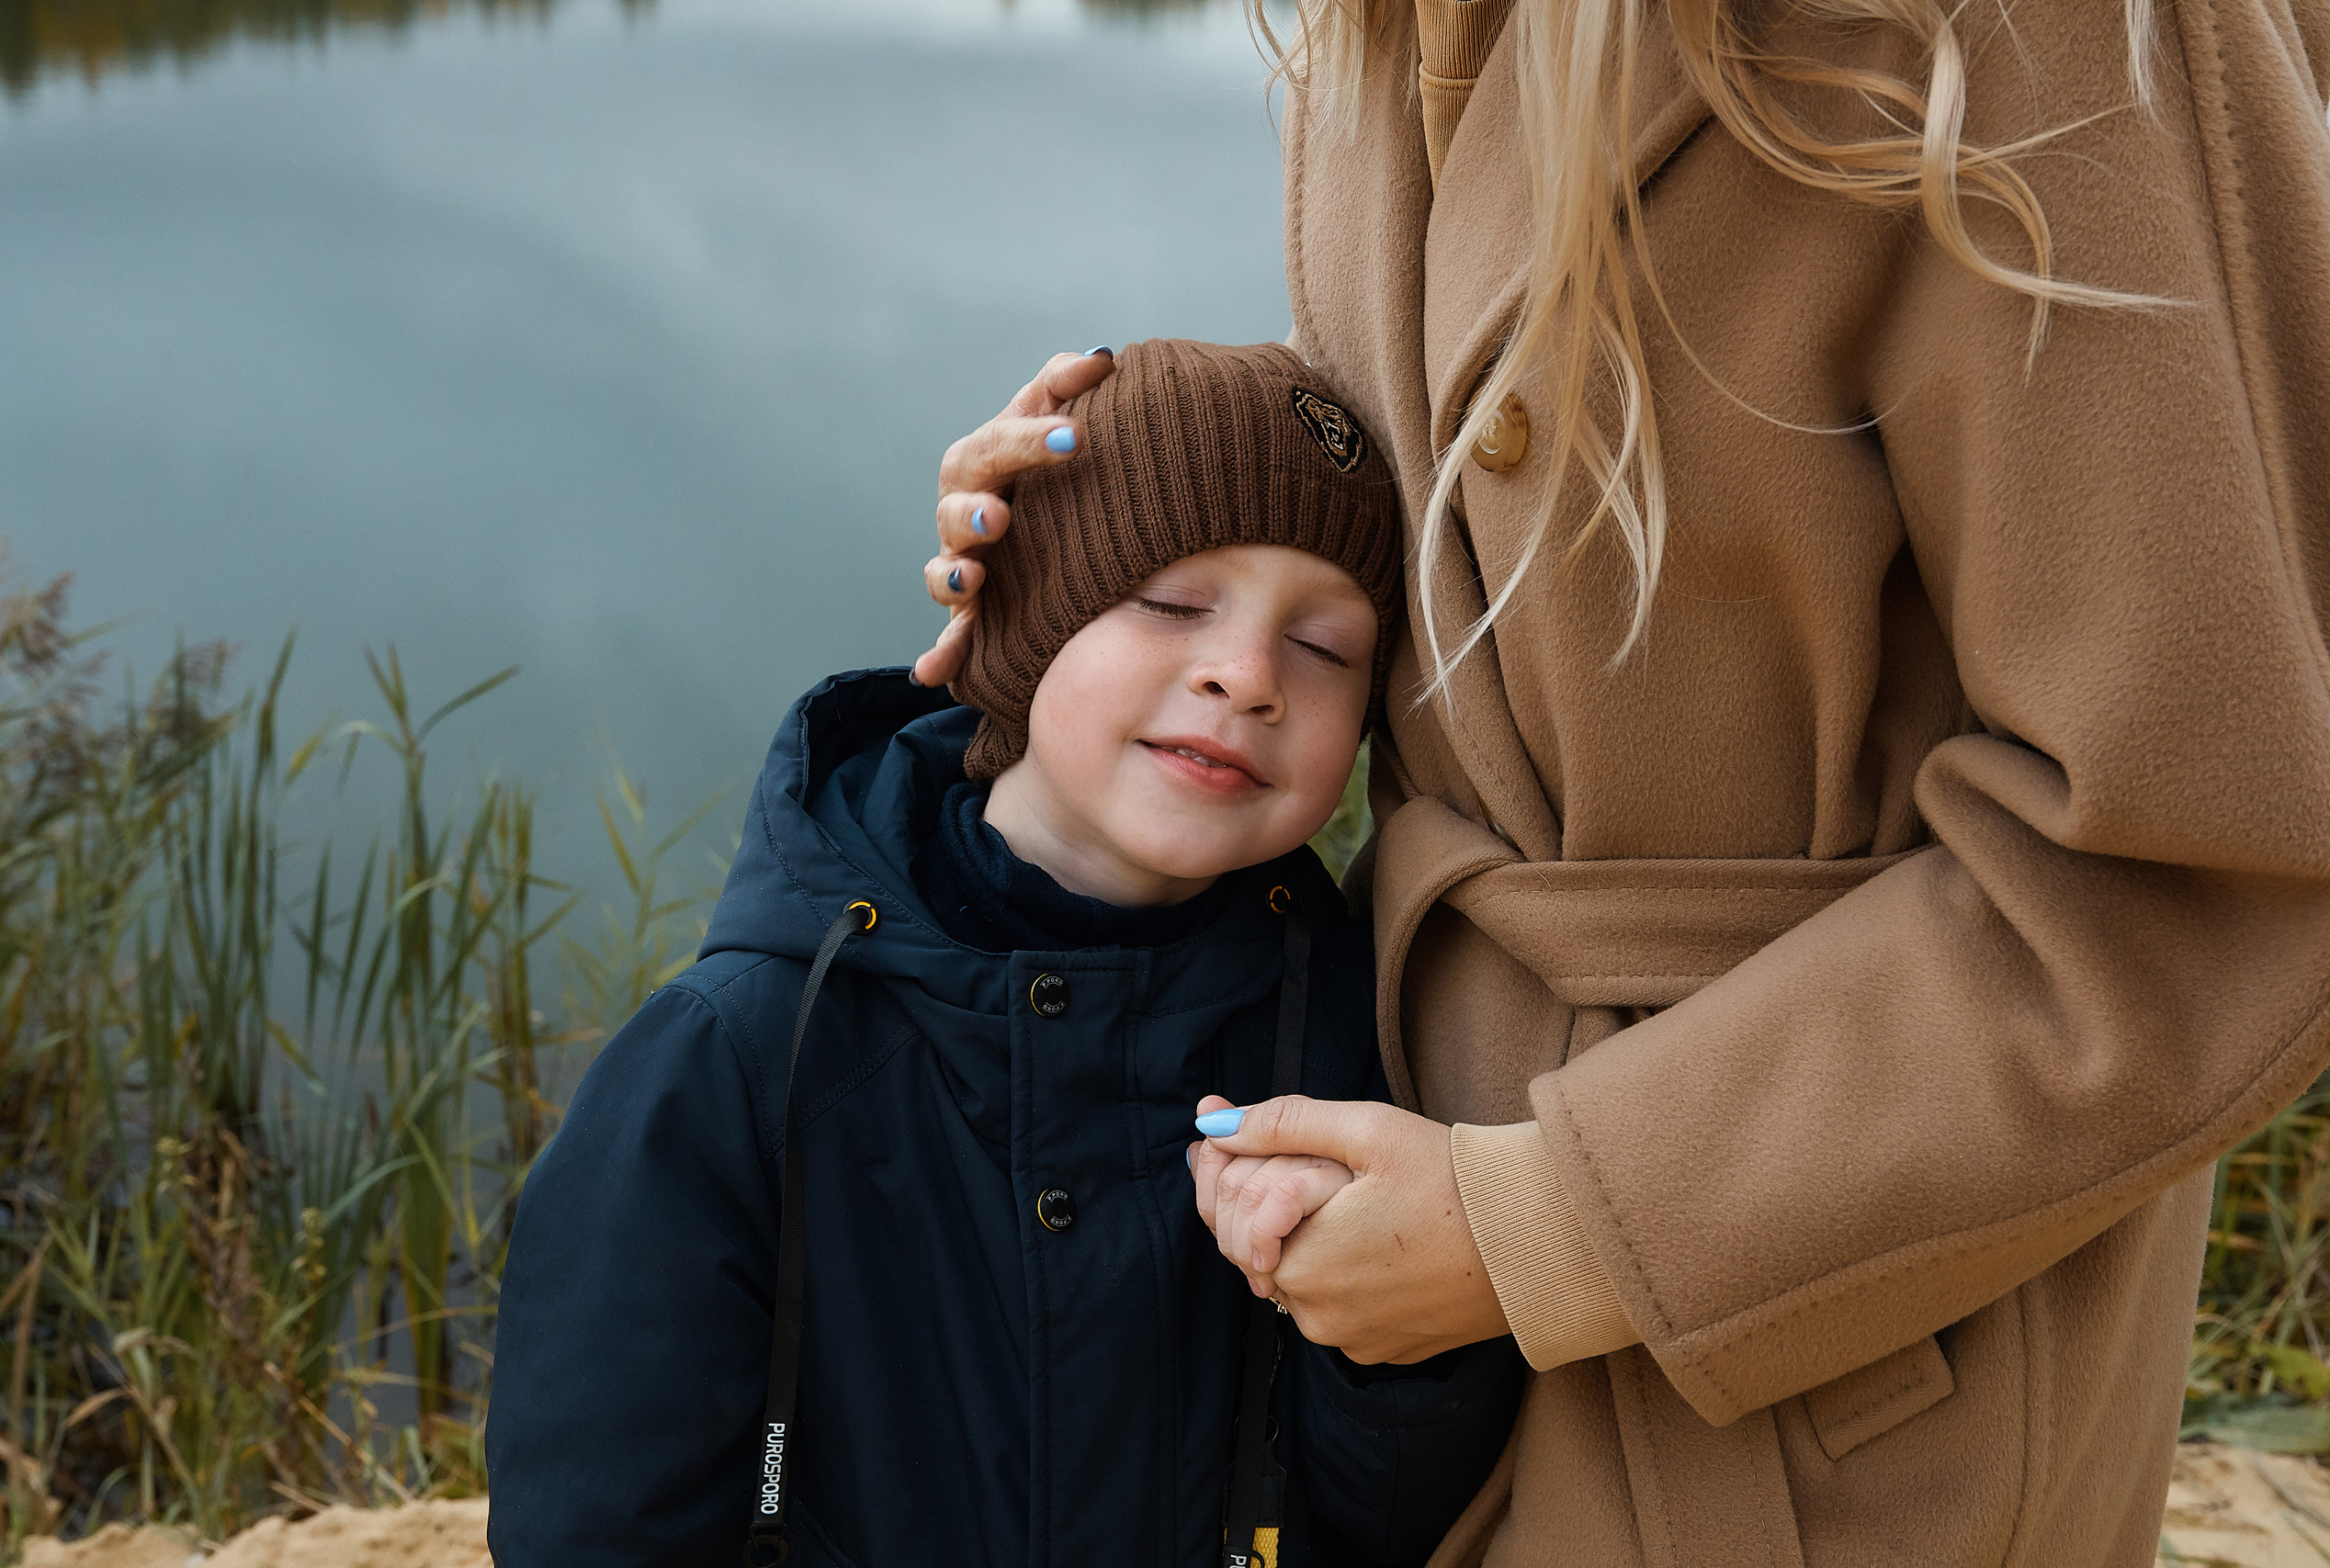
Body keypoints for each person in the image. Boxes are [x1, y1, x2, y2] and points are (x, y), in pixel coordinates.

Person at [915, 0, 2330, 1561]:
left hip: (1834, 1373)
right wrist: (1093, 546)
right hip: (1410, 1294)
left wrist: (1556, 1226)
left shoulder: (2046, 37)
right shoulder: (1380, 35)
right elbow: (1504, 522)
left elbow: (2205, 855)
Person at [486, 339, 1523, 1568]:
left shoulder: (1347, 1044)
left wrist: (1386, 1339)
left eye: (1328, 649)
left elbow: (1387, 1522)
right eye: (1174, 604)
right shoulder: (735, 1058)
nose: (1246, 677)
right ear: (1028, 622)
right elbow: (600, 1521)